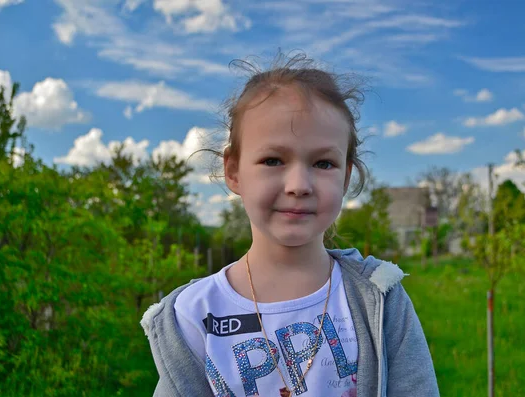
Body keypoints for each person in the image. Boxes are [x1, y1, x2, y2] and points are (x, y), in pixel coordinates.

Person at [140, 53, 439, 397]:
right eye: (273, 160)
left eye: (324, 163)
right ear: (233, 170)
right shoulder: (193, 316)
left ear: (346, 177)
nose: (299, 184)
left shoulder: (380, 299)